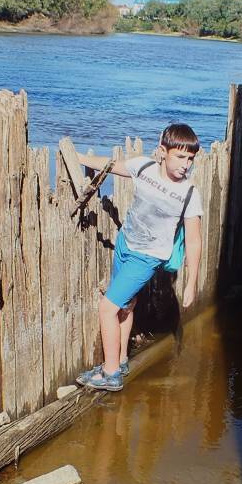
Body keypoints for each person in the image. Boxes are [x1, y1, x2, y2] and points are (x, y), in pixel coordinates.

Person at [75, 123, 204, 391]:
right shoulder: (143, 168)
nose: (185, 164)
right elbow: (112, 165)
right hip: (125, 244)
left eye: (190, 159)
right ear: (162, 151)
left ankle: (110, 374)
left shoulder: (189, 194)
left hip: (147, 257)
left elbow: (194, 240)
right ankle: (120, 360)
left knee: (107, 308)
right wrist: (78, 158)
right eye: (180, 156)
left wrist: (192, 282)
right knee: (126, 305)